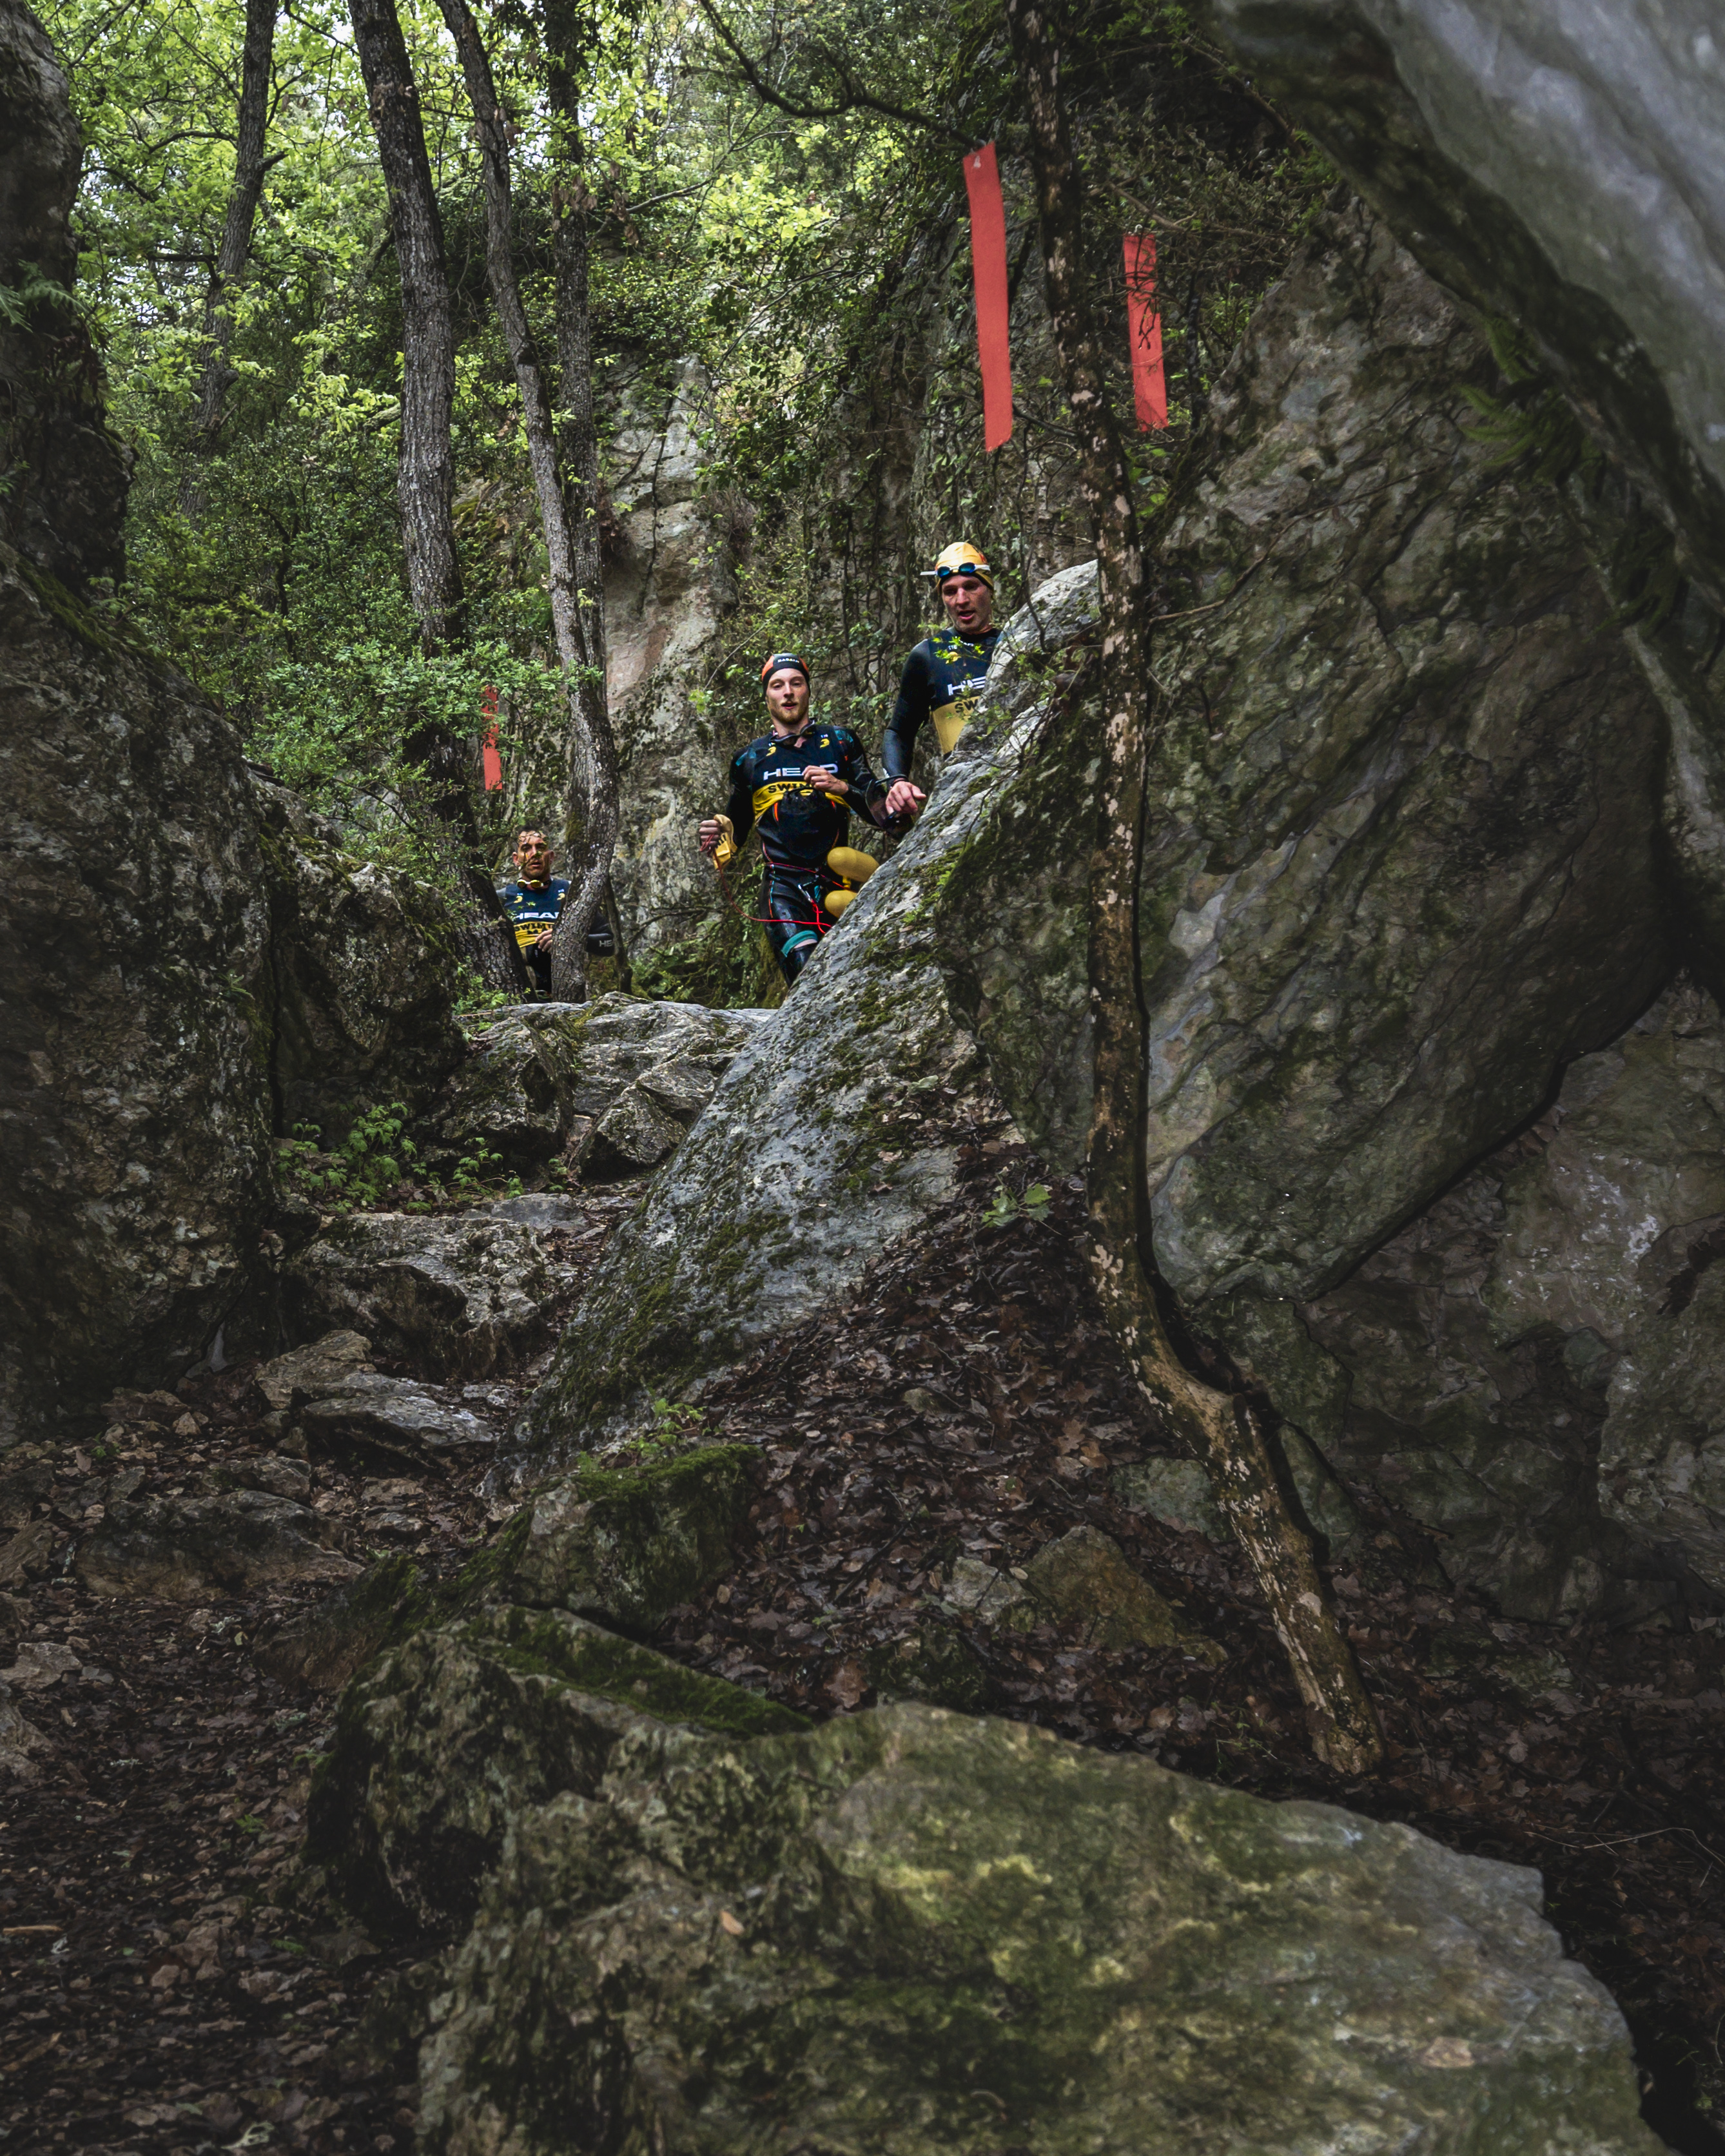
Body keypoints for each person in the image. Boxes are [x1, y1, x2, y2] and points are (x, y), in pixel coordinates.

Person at [697, 652, 892, 986]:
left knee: (852, 979)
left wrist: (843, 788)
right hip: (783, 888)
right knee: (807, 974)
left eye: (796, 683)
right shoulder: (749, 759)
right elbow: (735, 831)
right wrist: (717, 834)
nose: (787, 692)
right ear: (767, 696)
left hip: (840, 881)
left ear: (808, 690)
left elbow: (883, 815)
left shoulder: (840, 743)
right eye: (778, 685)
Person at [881, 539, 1000, 819]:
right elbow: (898, 732)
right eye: (950, 592)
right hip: (964, 795)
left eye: (971, 587)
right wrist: (897, 781)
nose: (961, 600)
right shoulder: (928, 656)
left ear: (989, 588)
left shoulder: (1017, 642)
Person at [499, 828, 567, 997]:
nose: (534, 854)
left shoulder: (571, 891)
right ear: (516, 859)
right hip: (518, 989)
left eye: (541, 848)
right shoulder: (502, 898)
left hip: (566, 986)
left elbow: (609, 945)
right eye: (526, 849)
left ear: (551, 857)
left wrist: (565, 938)